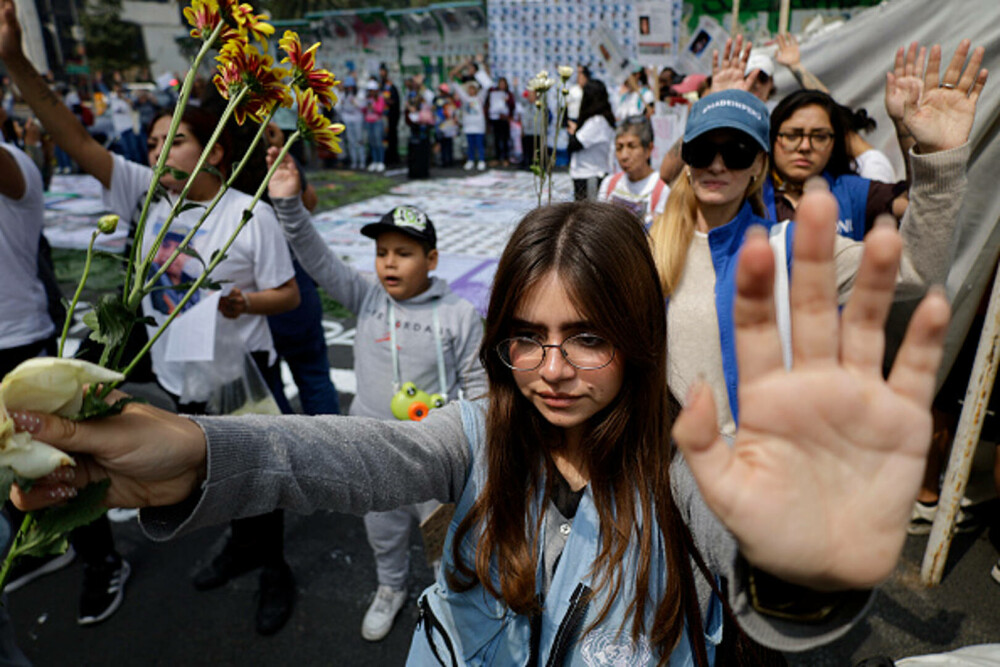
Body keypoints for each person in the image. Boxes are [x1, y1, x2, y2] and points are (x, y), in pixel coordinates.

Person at [9, 187, 952, 665]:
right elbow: (338, 457)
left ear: (640, 337)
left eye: (587, 337)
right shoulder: (477, 431)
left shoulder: (695, 469)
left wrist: (798, 576)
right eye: (526, 336)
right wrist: (193, 451)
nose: (549, 368)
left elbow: (766, 564)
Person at [0, 0, 303, 635]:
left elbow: (288, 297)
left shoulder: (246, 214)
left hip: (240, 376)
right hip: (179, 376)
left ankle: (273, 567)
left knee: (259, 481)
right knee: (200, 473)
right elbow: (72, 135)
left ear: (214, 149)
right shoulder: (145, 195)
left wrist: (244, 302)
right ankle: (236, 547)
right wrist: (14, 60)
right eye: (156, 140)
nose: (162, 148)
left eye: (179, 139)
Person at [648, 38, 983, 438]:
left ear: (758, 165)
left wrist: (938, 161)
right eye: (703, 149)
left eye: (736, 151)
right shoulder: (644, 247)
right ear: (686, 161)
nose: (717, 164)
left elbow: (913, 270)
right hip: (656, 467)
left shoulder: (786, 250)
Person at [265, 152, 487, 642]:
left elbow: (478, 387)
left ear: (431, 260)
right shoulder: (366, 296)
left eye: (403, 253)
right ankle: (390, 587)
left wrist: (474, 447)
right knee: (382, 531)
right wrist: (288, 207)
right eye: (382, 252)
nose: (389, 262)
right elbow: (317, 258)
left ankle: (448, 598)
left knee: (443, 537)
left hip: (434, 454)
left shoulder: (458, 314)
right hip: (370, 446)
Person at [597, 115, 669, 228]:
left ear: (649, 149)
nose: (624, 156)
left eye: (632, 146)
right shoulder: (610, 184)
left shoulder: (662, 189)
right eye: (619, 147)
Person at [568, 79, 615, 201]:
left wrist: (572, 132)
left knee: (588, 215)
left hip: (590, 174)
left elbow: (575, 144)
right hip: (585, 173)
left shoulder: (597, 121)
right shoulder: (595, 120)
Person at [485, 76, 515, 166]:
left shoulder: (508, 94)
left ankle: (506, 158)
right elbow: (488, 104)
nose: (502, 85)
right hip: (495, 119)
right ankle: (497, 158)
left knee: (505, 139)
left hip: (504, 119)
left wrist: (507, 102)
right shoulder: (493, 93)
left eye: (503, 84)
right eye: (500, 83)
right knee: (496, 139)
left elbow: (512, 106)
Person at [337, 76, 365, 170]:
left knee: (359, 141)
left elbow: (362, 106)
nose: (349, 89)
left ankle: (362, 162)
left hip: (357, 119)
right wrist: (341, 103)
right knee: (351, 141)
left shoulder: (359, 94)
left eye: (351, 87)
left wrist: (354, 101)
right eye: (348, 87)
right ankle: (354, 162)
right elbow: (339, 109)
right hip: (348, 119)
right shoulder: (343, 95)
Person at [379, 63, 401, 167]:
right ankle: (384, 157)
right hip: (381, 117)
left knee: (391, 138)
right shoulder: (379, 86)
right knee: (383, 138)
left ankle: (393, 158)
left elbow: (395, 102)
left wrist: (387, 101)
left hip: (390, 118)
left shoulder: (391, 87)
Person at [363, 78, 387, 172]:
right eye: (369, 90)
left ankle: (380, 161)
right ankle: (374, 161)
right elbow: (364, 111)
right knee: (371, 142)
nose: (371, 92)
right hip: (369, 122)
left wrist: (373, 107)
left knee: (378, 142)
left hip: (377, 122)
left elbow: (380, 110)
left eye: (372, 90)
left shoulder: (380, 99)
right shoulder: (367, 98)